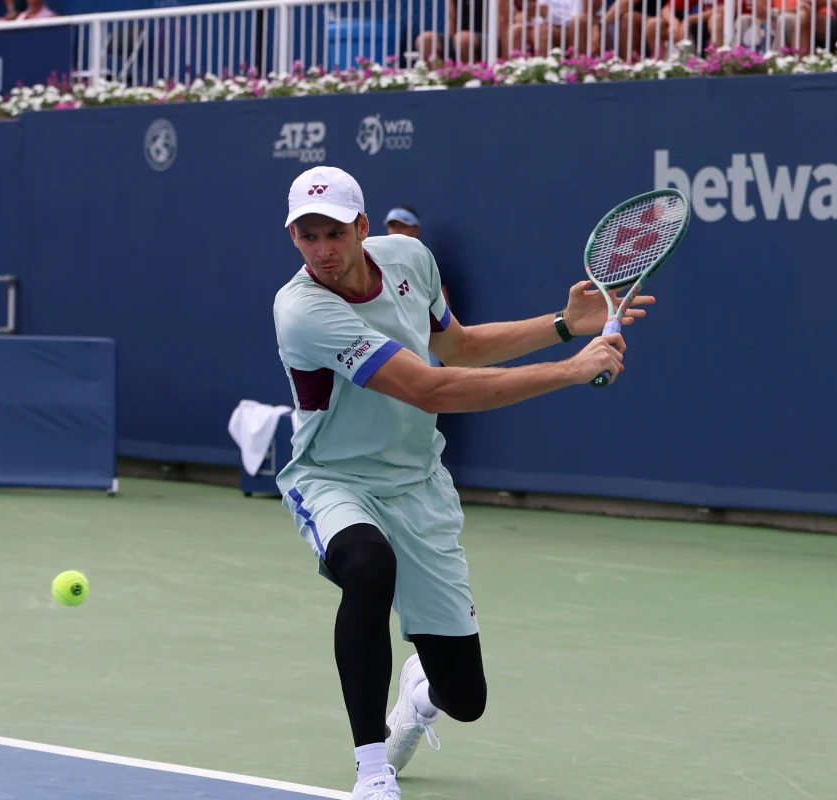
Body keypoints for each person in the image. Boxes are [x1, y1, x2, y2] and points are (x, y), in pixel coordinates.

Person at [272, 166, 652, 800]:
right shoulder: (303, 310)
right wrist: (567, 371)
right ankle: (372, 765)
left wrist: (563, 324)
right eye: (306, 236)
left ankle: (421, 693)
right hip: (335, 481)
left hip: (418, 485)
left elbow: (460, 348)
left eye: (333, 232)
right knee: (367, 566)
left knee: (465, 698)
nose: (321, 249)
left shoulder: (411, 260)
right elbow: (429, 387)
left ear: (362, 227)